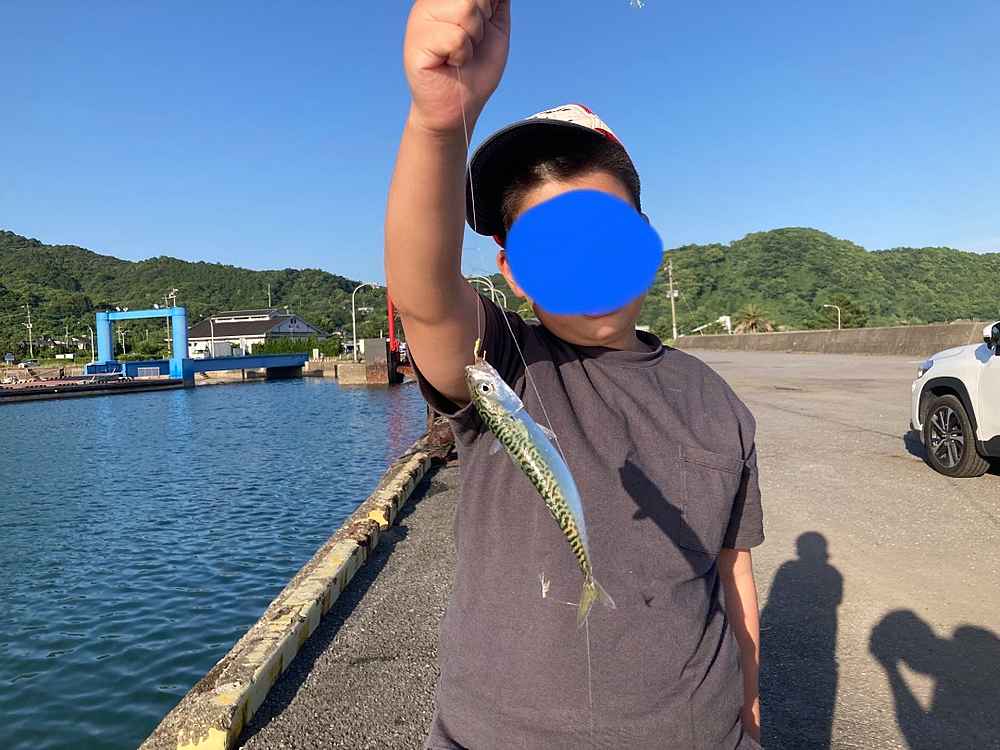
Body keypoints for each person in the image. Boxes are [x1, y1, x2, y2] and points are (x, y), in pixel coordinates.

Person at [385, 2, 764, 748]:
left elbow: (734, 575)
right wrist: (436, 123)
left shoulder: (715, 401)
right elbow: (423, 292)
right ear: (512, 272)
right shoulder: (504, 367)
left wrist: (749, 716)